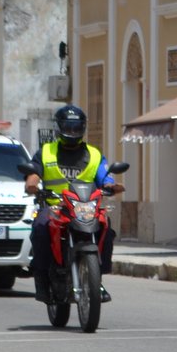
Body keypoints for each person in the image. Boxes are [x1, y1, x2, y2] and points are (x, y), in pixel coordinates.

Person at [24, 104, 124, 303]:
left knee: (106, 227)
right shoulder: (46, 152)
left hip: (85, 207)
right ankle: (42, 278)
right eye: (68, 127)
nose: (72, 131)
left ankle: (98, 277)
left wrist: (111, 185)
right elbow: (34, 171)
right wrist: (33, 182)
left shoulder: (94, 154)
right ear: (59, 127)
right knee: (41, 227)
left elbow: (105, 176)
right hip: (55, 206)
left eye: (76, 127)